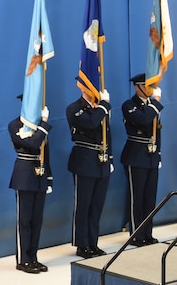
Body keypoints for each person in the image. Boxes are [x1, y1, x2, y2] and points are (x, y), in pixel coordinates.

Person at [67, 85, 112, 258]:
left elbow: (107, 133)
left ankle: (93, 243)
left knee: (96, 206)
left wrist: (110, 157)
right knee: (83, 205)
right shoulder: (74, 109)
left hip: (101, 161)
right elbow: (91, 122)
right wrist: (104, 106)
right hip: (84, 160)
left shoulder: (98, 108)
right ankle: (81, 244)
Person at [8, 101, 52, 273]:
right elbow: (33, 144)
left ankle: (33, 257)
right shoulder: (15, 125)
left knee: (37, 221)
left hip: (40, 175)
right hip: (24, 176)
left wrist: (49, 178)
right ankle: (23, 259)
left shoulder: (40, 126)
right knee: (24, 220)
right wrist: (43, 126)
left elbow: (45, 152)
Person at [121, 74, 163, 246]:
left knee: (149, 197)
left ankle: (147, 232)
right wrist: (156, 101)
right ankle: (136, 234)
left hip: (151, 156)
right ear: (137, 87)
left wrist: (158, 154)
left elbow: (157, 131)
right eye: (146, 86)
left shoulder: (152, 106)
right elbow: (143, 119)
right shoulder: (129, 105)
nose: (149, 89)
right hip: (136, 155)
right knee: (136, 197)